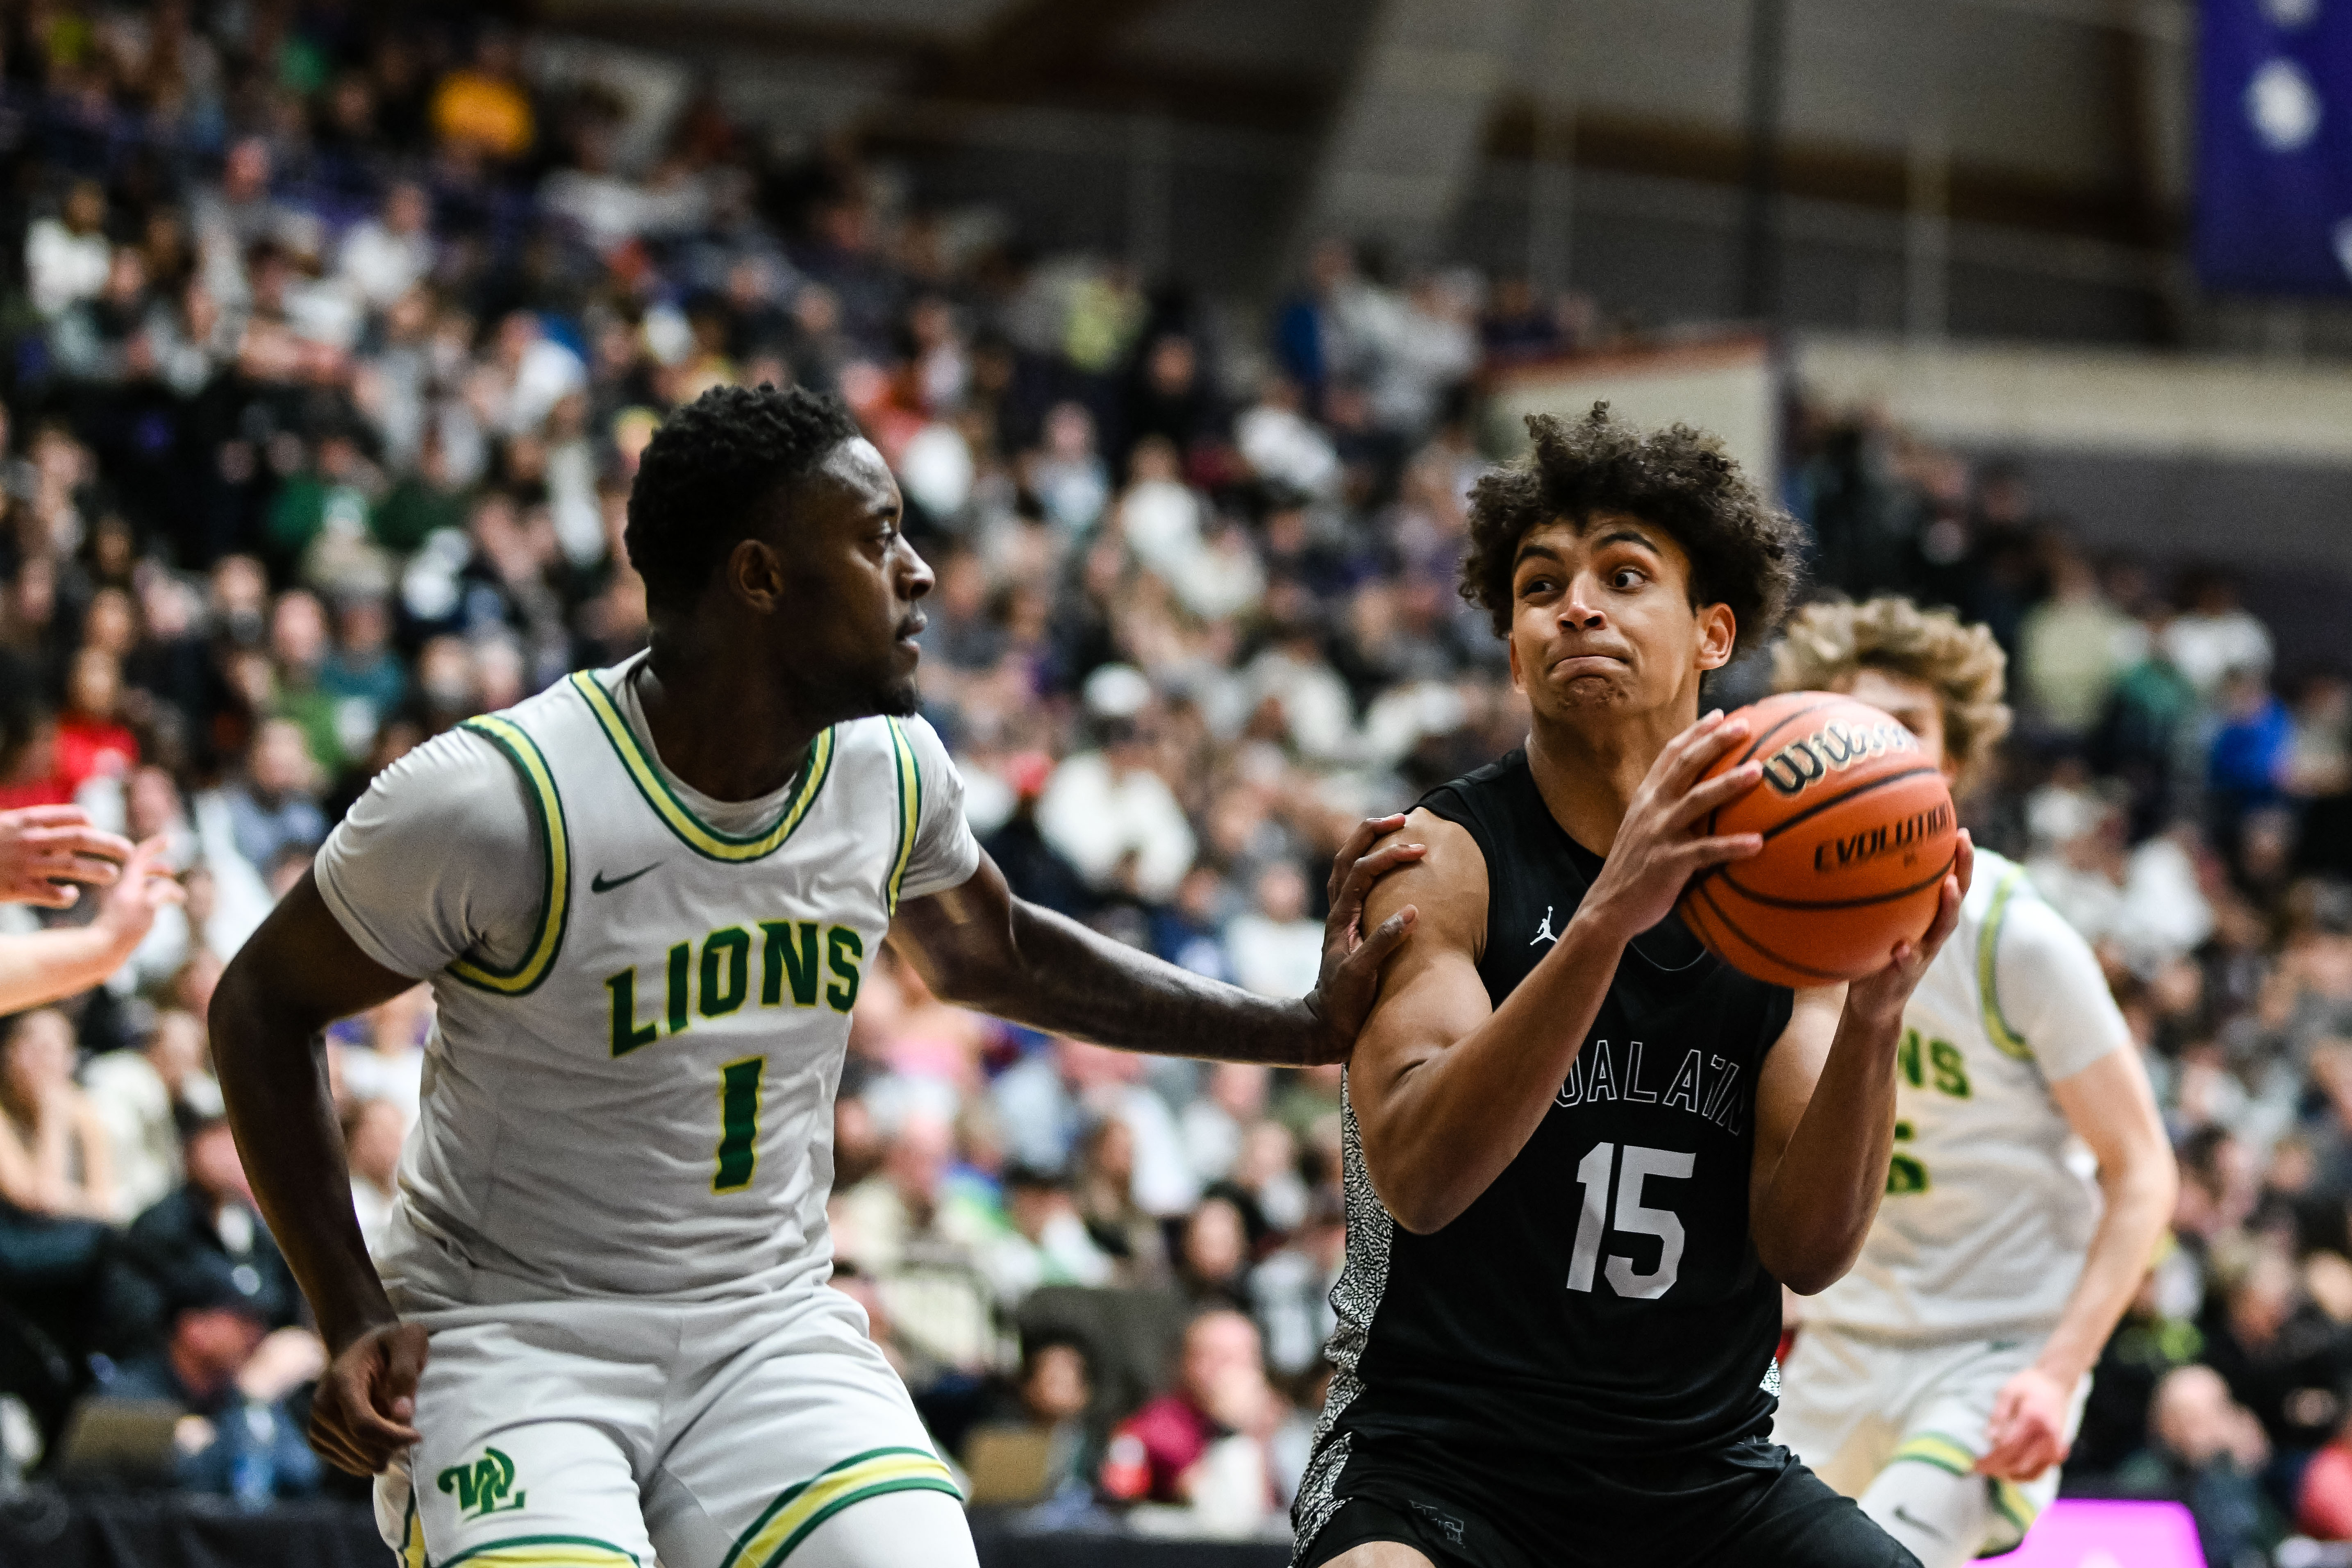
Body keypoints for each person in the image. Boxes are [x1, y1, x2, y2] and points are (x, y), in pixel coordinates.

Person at [209, 383, 1422, 1568]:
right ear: (759, 578)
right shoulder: (498, 800)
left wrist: (1300, 1027)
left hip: (762, 1328)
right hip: (507, 1333)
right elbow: (260, 1005)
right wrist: (348, 1306)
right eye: (878, 536)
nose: (922, 572)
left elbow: (992, 955)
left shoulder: (888, 770)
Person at [1295, 404, 1966, 1568]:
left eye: (1621, 575)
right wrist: (1606, 920)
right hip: (1443, 1456)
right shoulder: (1444, 861)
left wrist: (1872, 1017)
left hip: (1699, 1470)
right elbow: (1421, 1177)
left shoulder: (1789, 883)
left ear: (1713, 633)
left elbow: (1807, 1247)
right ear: (1512, 649)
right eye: (1540, 587)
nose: (1577, 607)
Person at [1768, 597, 2177, 1565]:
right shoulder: (1768, 929)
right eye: (1848, 716)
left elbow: (2143, 1169)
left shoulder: (2012, 936)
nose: (1874, 740)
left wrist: (2058, 1369)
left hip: (1992, 1354)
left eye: (1905, 722)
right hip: (1830, 1349)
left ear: (1948, 762)